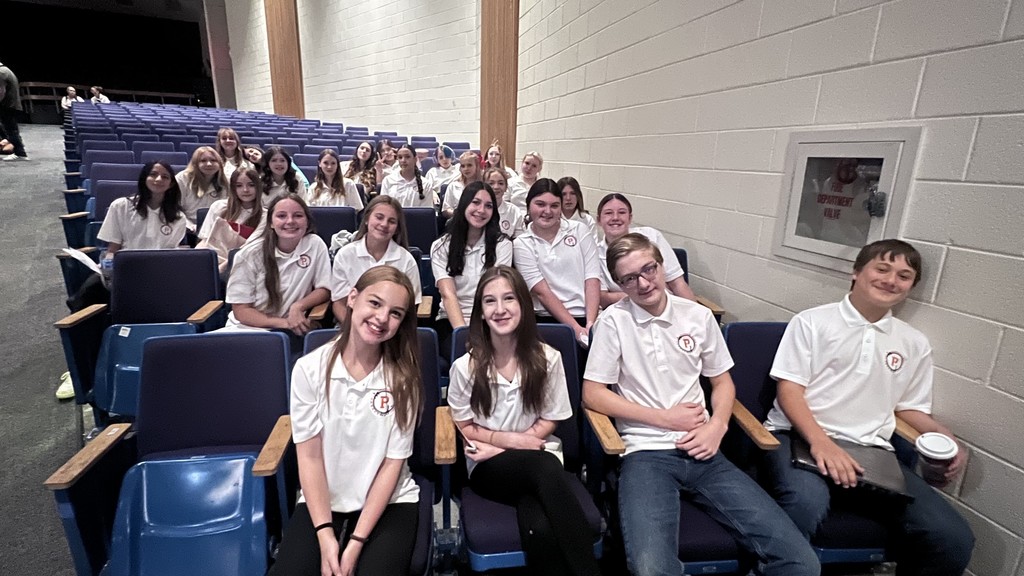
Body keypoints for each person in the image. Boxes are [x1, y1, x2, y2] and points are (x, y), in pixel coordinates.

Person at [582, 233, 820, 576]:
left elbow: (722, 383)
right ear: (619, 284)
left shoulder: (697, 316)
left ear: (661, 266)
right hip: (645, 454)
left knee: (801, 561)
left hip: (706, 451)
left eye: (649, 269)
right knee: (652, 570)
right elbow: (593, 393)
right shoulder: (614, 322)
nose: (644, 283)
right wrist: (664, 418)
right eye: (629, 278)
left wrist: (717, 426)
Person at [761, 239, 974, 575]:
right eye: (882, 269)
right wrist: (822, 443)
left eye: (904, 276)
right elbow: (790, 391)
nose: (891, 280)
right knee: (804, 502)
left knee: (952, 537)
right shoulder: (813, 322)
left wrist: (942, 436)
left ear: (911, 287)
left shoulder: (913, 342)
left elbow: (908, 408)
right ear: (857, 272)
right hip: (799, 438)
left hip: (870, 452)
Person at [269, 266, 423, 576]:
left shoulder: (404, 378)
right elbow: (310, 458)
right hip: (324, 499)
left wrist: (355, 542)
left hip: (389, 501)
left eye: (395, 313)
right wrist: (325, 535)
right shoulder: (309, 369)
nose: (382, 318)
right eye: (375, 303)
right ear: (352, 298)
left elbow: (392, 464)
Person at [447, 266, 600, 576]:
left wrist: (511, 445)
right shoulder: (466, 367)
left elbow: (551, 418)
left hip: (535, 452)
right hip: (489, 465)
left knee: (541, 527)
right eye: (490, 301)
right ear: (481, 312)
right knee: (543, 467)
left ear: (524, 305)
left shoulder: (548, 358)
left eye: (509, 298)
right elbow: (463, 425)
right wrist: (512, 442)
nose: (500, 309)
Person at [223, 194, 330, 337]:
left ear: (307, 222)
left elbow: (324, 288)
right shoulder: (249, 254)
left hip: (292, 329)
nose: (290, 221)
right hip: (249, 330)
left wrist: (298, 306)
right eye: (281, 216)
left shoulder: (315, 244)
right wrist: (284, 323)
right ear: (271, 223)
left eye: (298, 215)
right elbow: (241, 311)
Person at [513, 178, 600, 346]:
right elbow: (542, 292)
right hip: (546, 320)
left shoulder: (579, 230)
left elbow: (592, 278)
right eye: (540, 204)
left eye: (554, 205)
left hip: (586, 315)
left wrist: (590, 324)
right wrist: (576, 329)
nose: (547, 211)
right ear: (528, 205)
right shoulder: (521, 244)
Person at [430, 181, 514, 341]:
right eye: (475, 202)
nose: (481, 210)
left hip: (490, 318)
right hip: (451, 319)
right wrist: (463, 335)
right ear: (464, 204)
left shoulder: (502, 245)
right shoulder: (440, 246)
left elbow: (497, 290)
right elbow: (448, 294)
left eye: (488, 206)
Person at [330, 196, 422, 324]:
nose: (384, 224)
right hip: (351, 325)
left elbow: (410, 308)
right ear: (366, 219)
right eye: (379, 217)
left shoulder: (406, 260)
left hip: (391, 327)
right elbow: (339, 304)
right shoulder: (345, 255)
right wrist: (357, 329)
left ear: (397, 228)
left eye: (391, 221)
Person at [595, 193, 696, 307]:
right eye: (608, 213)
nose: (615, 218)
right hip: (627, 311)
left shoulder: (651, 236)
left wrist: (696, 313)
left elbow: (677, 283)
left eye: (622, 212)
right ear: (599, 220)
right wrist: (649, 293)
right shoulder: (595, 253)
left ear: (630, 218)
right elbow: (602, 298)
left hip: (666, 305)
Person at [97, 161, 187, 257]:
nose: (159, 179)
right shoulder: (120, 206)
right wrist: (108, 262)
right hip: (128, 263)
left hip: (161, 264)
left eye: (165, 177)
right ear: (144, 179)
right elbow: (113, 248)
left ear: (171, 184)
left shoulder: (179, 217)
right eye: (153, 174)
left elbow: (172, 254)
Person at [196, 167, 266, 270]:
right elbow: (206, 240)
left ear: (258, 187)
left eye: (251, 185)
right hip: (212, 260)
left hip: (244, 265)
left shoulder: (265, 216)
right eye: (239, 186)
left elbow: (248, 248)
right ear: (233, 188)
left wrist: (221, 269)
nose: (245, 190)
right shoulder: (218, 207)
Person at [176, 146, 229, 227]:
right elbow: (175, 209)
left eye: (213, 160)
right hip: (187, 226)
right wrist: (189, 226)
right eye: (203, 161)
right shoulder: (182, 178)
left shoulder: (227, 181)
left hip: (216, 226)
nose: (209, 164)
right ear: (195, 164)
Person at [484, 167, 525, 238]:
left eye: (501, 183)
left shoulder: (514, 211)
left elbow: (520, 239)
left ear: (506, 187)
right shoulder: (478, 210)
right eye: (491, 183)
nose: (496, 187)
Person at [440, 151, 483, 219]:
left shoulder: (484, 186)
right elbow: (445, 210)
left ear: (477, 166)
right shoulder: (453, 186)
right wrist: (459, 214)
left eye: (469, 165)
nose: (466, 169)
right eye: (463, 166)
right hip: (459, 220)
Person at [0, 61, 27, 161]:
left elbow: (1, 91)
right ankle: (19, 152)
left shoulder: (1, 72)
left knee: (11, 130)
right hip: (12, 104)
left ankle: (20, 153)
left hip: (7, 105)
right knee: (11, 129)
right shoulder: (6, 70)